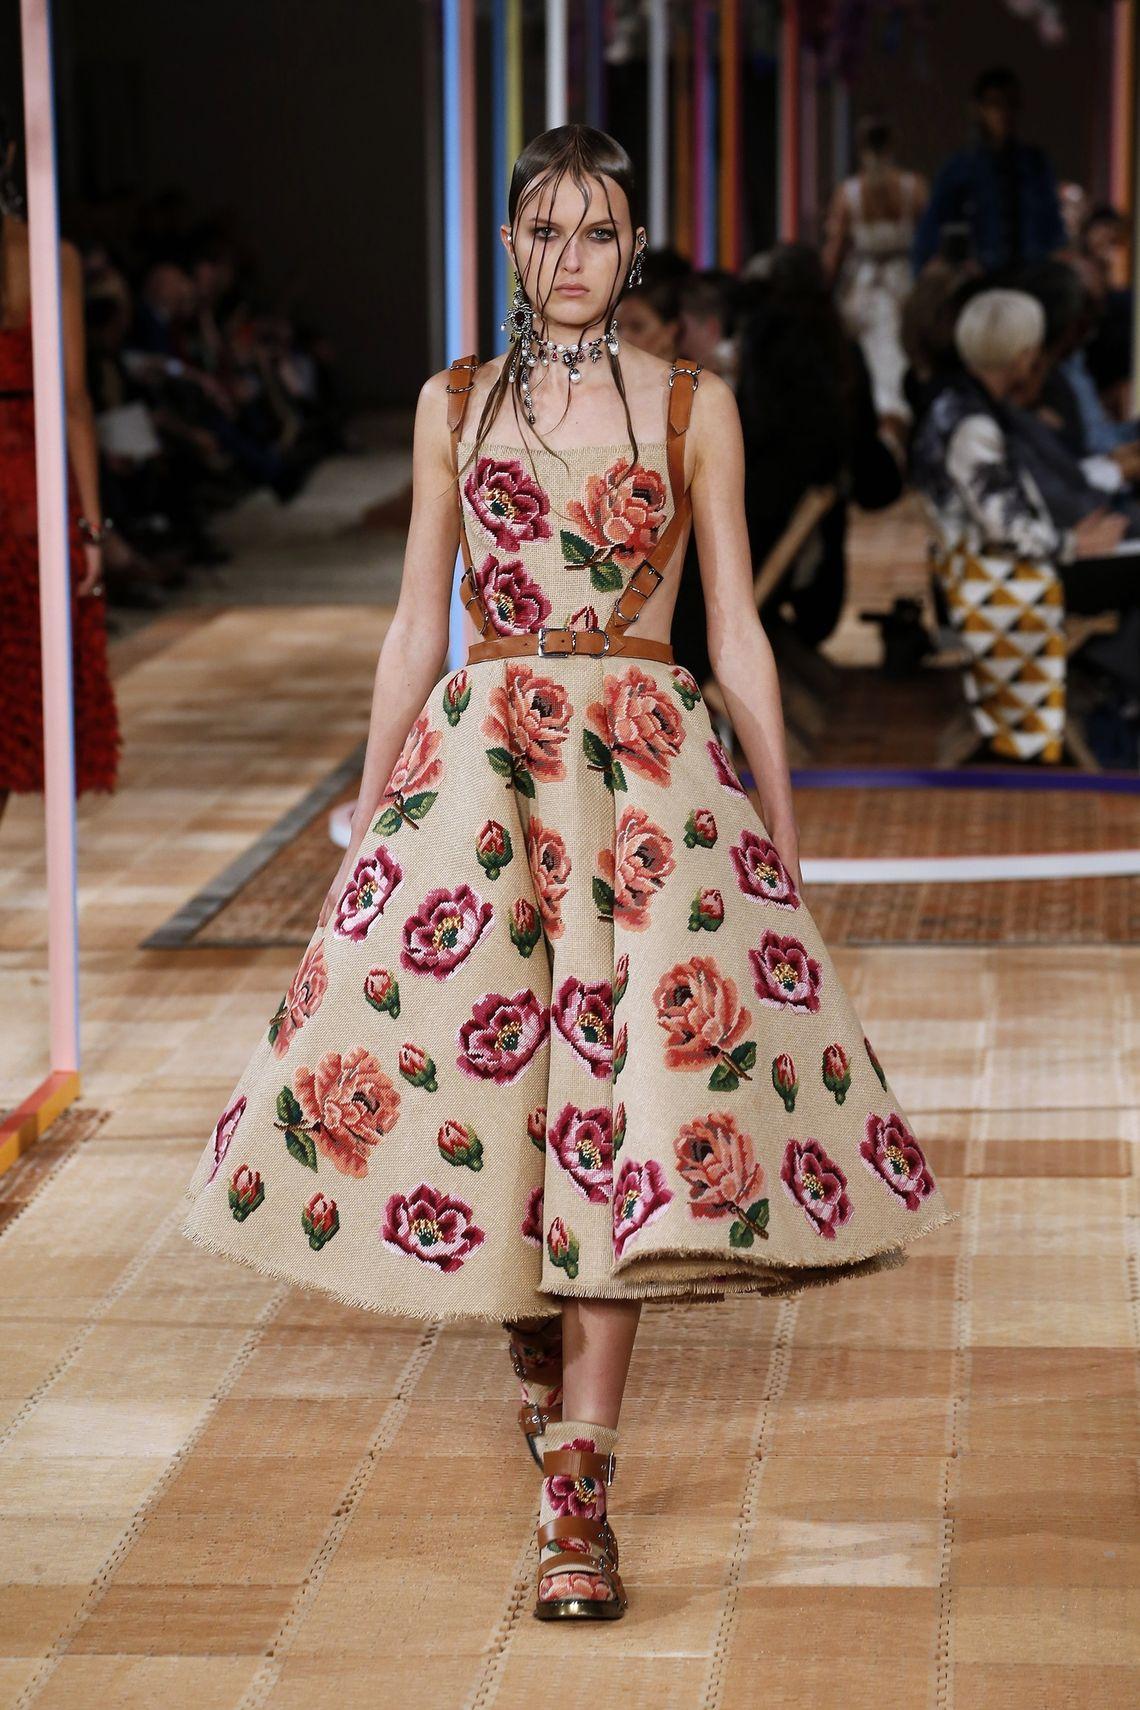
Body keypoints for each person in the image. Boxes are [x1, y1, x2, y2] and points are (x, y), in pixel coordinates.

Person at [179, 124, 959, 1622]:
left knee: (621, 1106)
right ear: (510, 246)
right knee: (497, 1094)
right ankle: (541, 1369)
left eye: (600, 231)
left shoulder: (695, 405)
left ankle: (579, 1488)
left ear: (635, 247)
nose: (573, 257)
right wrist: (369, 810)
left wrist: (779, 835)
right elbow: (414, 622)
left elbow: (735, 629)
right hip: (482, 774)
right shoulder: (453, 404)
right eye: (547, 230)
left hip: (647, 787)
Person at [911, 289, 1140, 694]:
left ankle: (1112, 681)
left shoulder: (962, 404)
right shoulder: (973, 423)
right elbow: (1009, 531)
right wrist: (1075, 543)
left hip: (995, 566)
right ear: (1021, 357)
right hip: (999, 578)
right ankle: (1113, 682)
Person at [0, 108, 121, 822]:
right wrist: (91, 527)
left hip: (27, 475)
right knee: (18, 681)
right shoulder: (48, 255)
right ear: (10, 153)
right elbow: (74, 399)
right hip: (29, 478)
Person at [736, 244, 903, 648]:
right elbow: (860, 428)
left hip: (766, 504)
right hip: (823, 501)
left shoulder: (764, 337)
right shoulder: (841, 342)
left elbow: (753, 421)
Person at [823, 115, 927, 432]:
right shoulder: (913, 187)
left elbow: (834, 252)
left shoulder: (851, 192)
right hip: (894, 285)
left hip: (877, 288)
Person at [912, 67, 1066, 275]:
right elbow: (932, 231)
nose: (1004, 113)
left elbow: (1052, 228)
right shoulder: (958, 169)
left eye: (1011, 104)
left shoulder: (1035, 165)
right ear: (979, 109)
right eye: (996, 104)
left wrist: (1057, 255)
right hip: (974, 273)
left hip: (1031, 272)